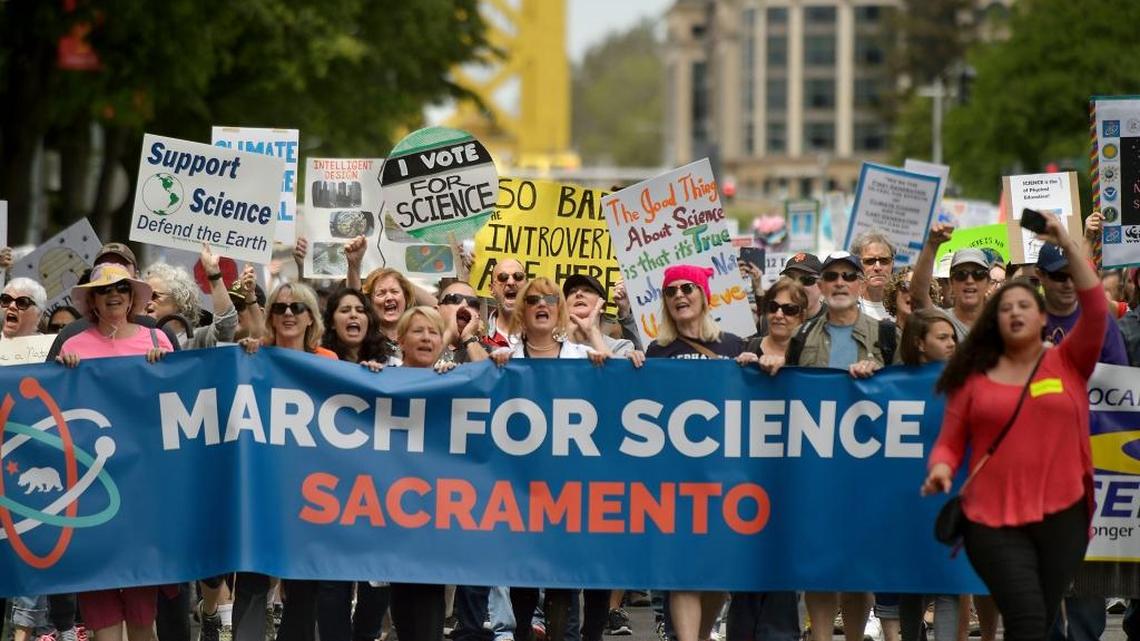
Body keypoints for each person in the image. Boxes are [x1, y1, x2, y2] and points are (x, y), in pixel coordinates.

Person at [922, 216, 1105, 641]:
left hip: (1063, 514)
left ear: (1042, 318)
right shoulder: (975, 376)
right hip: (991, 518)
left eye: (1025, 305)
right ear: (996, 320)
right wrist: (941, 469)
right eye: (1006, 308)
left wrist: (1068, 243)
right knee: (1024, 618)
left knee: (1038, 619)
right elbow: (949, 443)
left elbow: (1095, 305)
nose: (1015, 312)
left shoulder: (1070, 360)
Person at [57, 264, 174, 641]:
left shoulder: (159, 342)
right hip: (93, 494)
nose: (114, 294)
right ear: (92, 299)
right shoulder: (72, 347)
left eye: (122, 287)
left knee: (143, 620)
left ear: (132, 295)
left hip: (144, 494)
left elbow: (180, 405)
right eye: (104, 288)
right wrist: (63, 376)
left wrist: (166, 373)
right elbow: (56, 413)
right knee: (103, 621)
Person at [1033, 242, 1129, 641]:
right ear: (1040, 278)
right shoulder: (1023, 319)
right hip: (1033, 469)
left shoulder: (1099, 321)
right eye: (1058, 276)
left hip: (1090, 467)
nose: (1068, 284)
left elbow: (1122, 389)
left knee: (1087, 582)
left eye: (1073, 274)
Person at [235, 282, 337, 641]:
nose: (289, 314)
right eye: (280, 308)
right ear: (271, 317)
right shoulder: (251, 356)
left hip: (310, 489)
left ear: (311, 317)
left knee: (303, 583)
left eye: (297, 307)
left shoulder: (329, 362)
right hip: (261, 486)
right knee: (251, 574)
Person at [644, 265, 739, 641]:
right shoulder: (658, 351)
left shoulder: (734, 346)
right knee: (683, 568)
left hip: (722, 476)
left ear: (704, 294)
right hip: (675, 477)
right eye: (671, 291)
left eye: (688, 288)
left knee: (716, 572)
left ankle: (699, 634)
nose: (680, 295)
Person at [731, 277, 806, 641]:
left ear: (802, 315)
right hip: (749, 475)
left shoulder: (808, 352)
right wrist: (742, 370)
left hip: (794, 477)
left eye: (789, 309)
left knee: (782, 564)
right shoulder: (747, 347)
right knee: (746, 563)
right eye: (773, 307)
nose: (780, 314)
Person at [896, 308, 960, 641]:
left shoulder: (967, 383)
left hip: (951, 496)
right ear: (920, 344)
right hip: (908, 499)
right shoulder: (893, 383)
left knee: (948, 583)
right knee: (912, 583)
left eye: (953, 337)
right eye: (943, 337)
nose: (952, 343)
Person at [143, 245, 238, 349]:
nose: (146, 302)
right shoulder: (137, 339)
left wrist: (214, 274)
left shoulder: (197, 339)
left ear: (179, 301)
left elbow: (225, 325)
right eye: (144, 295)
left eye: (154, 296)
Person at [911, 225, 991, 341]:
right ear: (951, 283)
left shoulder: (1001, 324)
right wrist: (932, 245)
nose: (969, 280)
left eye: (978, 274)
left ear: (988, 282)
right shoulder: (941, 320)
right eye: (961, 275)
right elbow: (917, 296)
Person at [563, 273, 644, 366]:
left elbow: (616, 377)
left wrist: (593, 332)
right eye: (572, 292)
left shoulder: (620, 347)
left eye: (587, 290)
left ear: (602, 305)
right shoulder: (552, 344)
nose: (578, 294)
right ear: (564, 305)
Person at [436, 279, 491, 364]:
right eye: (454, 299)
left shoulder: (492, 352)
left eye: (473, 303)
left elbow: (490, 374)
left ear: (478, 316)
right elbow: (415, 372)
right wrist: (449, 334)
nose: (464, 305)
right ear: (436, 311)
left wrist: (468, 338)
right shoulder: (415, 342)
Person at [851, 232, 896, 321]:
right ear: (856, 265)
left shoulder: (904, 305)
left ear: (892, 264)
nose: (878, 267)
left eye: (884, 260)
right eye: (870, 261)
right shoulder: (846, 305)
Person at [487, 258, 527, 349]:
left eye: (518, 276)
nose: (511, 282)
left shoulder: (545, 333)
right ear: (492, 289)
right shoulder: (480, 335)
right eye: (503, 277)